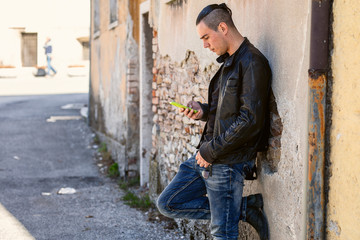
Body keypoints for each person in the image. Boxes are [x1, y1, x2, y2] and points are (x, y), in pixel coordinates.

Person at [157, 3, 272, 240]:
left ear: (223, 27)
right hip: (208, 154)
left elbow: (250, 120)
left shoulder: (252, 62)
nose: (205, 45)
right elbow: (228, 112)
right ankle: (245, 209)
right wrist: (204, 112)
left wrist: (210, 151)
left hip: (226, 161)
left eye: (206, 37)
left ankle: (238, 211)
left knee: (222, 232)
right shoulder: (229, 62)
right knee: (168, 203)